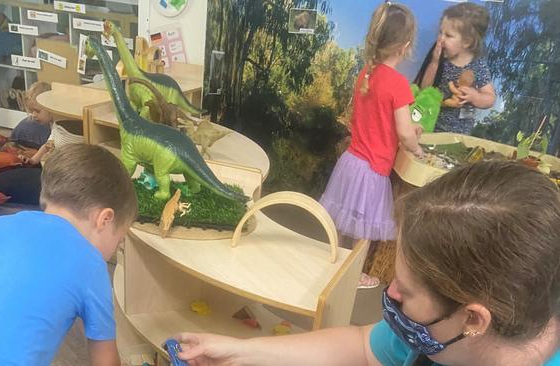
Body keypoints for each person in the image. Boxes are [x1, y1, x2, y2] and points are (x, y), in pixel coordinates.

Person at [174, 160, 560, 366]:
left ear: (473, 319)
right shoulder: (432, 336)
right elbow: (364, 345)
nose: (389, 292)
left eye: (406, 293)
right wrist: (242, 352)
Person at [0, 144, 138, 366]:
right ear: (105, 219)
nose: (115, 248)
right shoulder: (91, 263)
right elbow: (105, 362)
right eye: (118, 240)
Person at [319, 2, 423, 288]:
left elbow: (376, 118)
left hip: (351, 162)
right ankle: (353, 274)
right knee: (363, 229)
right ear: (405, 46)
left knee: (342, 218)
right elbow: (403, 132)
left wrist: (405, 130)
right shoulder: (399, 84)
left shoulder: (366, 73)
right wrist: (416, 146)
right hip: (373, 168)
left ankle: (333, 264)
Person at [416, 3, 496, 134]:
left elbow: (490, 98)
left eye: (448, 35)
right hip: (430, 127)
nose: (440, 39)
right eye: (440, 32)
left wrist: (475, 97)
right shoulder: (440, 58)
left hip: (459, 134)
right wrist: (434, 63)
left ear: (467, 42)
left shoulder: (478, 65)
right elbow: (424, 89)